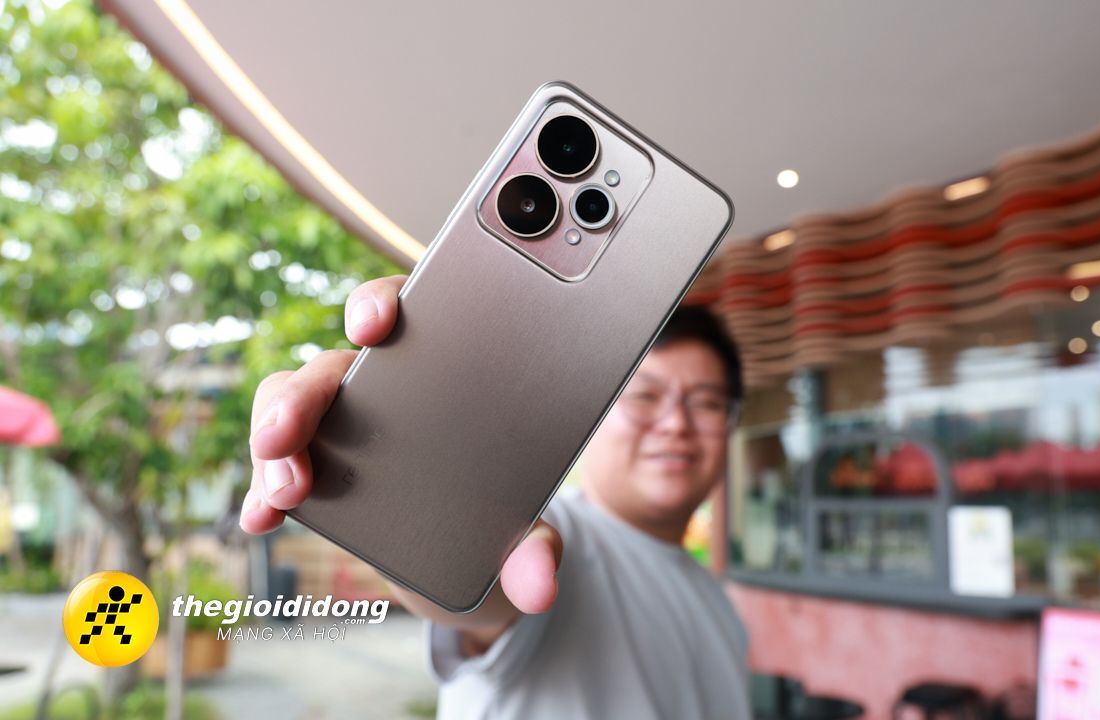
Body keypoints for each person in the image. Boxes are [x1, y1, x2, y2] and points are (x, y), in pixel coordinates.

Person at [241, 274, 750, 719]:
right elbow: (470, 577)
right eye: (645, 396)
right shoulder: (553, 536)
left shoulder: (720, 604)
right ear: (594, 411)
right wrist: (389, 466)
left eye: (707, 404)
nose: (676, 424)